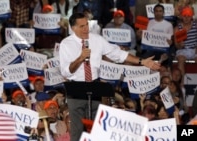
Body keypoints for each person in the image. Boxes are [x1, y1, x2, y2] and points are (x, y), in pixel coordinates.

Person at [58, 12, 161, 141]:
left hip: (94, 85)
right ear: (73, 28)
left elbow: (118, 54)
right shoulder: (66, 44)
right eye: (82, 26)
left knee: (97, 127)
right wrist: (80, 58)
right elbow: (66, 72)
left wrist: (142, 61)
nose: (86, 29)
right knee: (77, 130)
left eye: (87, 25)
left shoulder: (97, 40)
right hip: (75, 88)